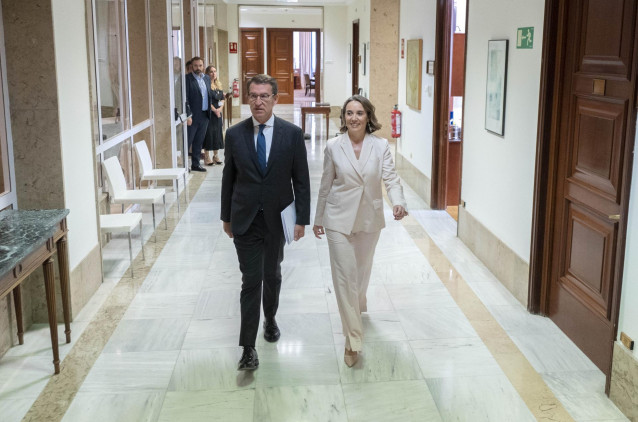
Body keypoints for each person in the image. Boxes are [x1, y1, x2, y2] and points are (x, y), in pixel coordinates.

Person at [221, 74, 311, 371]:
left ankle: (270, 317)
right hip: (245, 218)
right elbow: (228, 179)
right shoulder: (235, 135)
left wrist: (301, 219)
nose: (258, 101)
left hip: (277, 219)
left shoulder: (292, 134)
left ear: (276, 99)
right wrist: (226, 216)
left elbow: (301, 180)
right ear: (247, 99)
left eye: (264, 96)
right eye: (253, 96)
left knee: (272, 274)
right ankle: (248, 348)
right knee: (251, 280)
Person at [312, 95, 407, 367]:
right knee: (345, 278)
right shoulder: (333, 146)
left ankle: (359, 302)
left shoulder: (380, 146)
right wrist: (319, 217)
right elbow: (326, 183)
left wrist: (398, 201)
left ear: (368, 117)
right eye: (349, 113)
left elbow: (390, 178)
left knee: (361, 273)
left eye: (359, 113)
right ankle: (353, 340)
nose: (354, 118)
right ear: (343, 117)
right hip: (337, 219)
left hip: (368, 218)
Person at [185, 57, 213, 172]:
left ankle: (196, 164)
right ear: (192, 66)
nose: (198, 68)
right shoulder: (187, 79)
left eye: (200, 65)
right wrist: (188, 115)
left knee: (199, 141)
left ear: (203, 66)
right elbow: (185, 98)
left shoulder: (206, 78)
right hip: (193, 116)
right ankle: (184, 165)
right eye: (195, 66)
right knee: (188, 140)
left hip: (205, 114)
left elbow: (208, 95)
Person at [203, 65, 225, 166]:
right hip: (209, 112)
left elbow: (222, 99)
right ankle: (207, 156)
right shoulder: (206, 84)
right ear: (207, 74)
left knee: (217, 133)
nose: (213, 73)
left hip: (218, 114)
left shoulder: (218, 85)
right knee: (209, 134)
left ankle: (216, 156)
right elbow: (206, 100)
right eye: (211, 72)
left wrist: (219, 110)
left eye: (215, 71)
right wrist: (215, 110)